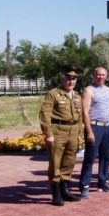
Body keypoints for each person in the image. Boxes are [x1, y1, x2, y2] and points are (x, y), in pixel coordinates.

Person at [40, 64, 84, 206]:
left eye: (73, 79)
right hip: (58, 131)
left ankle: (65, 190)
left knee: (69, 161)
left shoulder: (77, 95)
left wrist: (80, 134)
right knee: (55, 162)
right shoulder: (53, 94)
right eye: (68, 78)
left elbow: (80, 116)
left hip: (73, 131)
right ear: (62, 78)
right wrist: (49, 134)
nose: (71, 81)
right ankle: (56, 193)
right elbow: (45, 115)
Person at [79, 66, 109, 198]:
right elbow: (85, 112)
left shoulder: (108, 90)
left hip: (107, 127)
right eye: (98, 74)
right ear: (94, 76)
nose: (100, 77)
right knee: (90, 158)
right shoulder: (89, 90)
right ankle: (85, 186)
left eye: (103, 75)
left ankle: (103, 181)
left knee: (106, 157)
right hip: (95, 127)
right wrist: (89, 131)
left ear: (106, 76)